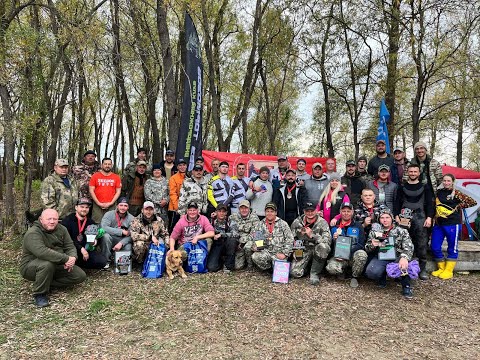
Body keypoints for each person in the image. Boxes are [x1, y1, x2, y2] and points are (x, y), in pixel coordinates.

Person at [19, 209, 87, 307]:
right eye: (49, 219)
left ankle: (46, 283)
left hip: (57, 263)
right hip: (31, 266)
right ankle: (40, 294)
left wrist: (72, 258)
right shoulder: (33, 233)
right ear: (41, 220)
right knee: (47, 264)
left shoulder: (62, 229)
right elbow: (42, 252)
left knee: (79, 275)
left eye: (55, 219)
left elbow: (69, 246)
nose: (52, 221)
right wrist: (65, 259)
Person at [431, 174, 477, 279]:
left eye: (448, 181)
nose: (446, 183)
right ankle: (441, 268)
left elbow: (472, 202)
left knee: (452, 247)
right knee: (434, 246)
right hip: (439, 223)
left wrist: (458, 206)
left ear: (452, 181)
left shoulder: (457, 193)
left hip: (453, 223)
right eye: (444, 180)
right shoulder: (439, 192)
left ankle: (449, 270)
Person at [364, 208, 415, 299]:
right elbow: (367, 248)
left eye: (387, 217)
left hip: (397, 257)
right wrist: (372, 245)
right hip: (382, 257)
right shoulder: (375, 231)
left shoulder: (401, 230)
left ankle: (406, 286)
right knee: (371, 272)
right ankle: (382, 277)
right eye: (382, 217)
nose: (385, 220)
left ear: (392, 218)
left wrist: (404, 257)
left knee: (405, 264)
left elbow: (409, 247)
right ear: (379, 219)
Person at [395, 163, 434, 280]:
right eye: (410, 171)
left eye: (415, 172)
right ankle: (403, 268)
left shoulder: (425, 187)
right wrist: (396, 215)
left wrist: (429, 217)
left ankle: (422, 269)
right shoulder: (402, 187)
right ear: (407, 173)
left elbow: (430, 203)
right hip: (404, 218)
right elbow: (397, 202)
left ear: (419, 173)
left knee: (421, 244)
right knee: (403, 243)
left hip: (420, 217)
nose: (413, 174)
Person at [326, 202, 367, 288]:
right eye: (344, 211)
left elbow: (361, 244)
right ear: (340, 212)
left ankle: (354, 277)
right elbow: (328, 244)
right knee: (331, 268)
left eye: (348, 211)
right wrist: (334, 240)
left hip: (352, 255)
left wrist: (347, 252)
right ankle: (342, 271)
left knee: (362, 255)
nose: (346, 213)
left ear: (352, 212)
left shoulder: (358, 226)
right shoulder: (334, 226)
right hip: (339, 256)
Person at [290, 202, 332, 285]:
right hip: (302, 248)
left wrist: (312, 235)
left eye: (312, 211)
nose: (310, 213)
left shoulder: (322, 223)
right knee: (295, 273)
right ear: (304, 211)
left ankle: (314, 273)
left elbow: (327, 241)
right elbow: (292, 238)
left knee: (323, 247)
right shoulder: (297, 222)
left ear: (316, 210)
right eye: (307, 211)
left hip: (317, 248)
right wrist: (295, 250)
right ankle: (306, 268)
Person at [61, 198, 107, 269]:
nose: (84, 209)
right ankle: (75, 264)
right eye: (82, 207)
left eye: (87, 207)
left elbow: (97, 237)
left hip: (86, 250)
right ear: (76, 207)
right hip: (72, 250)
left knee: (102, 261)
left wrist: (95, 242)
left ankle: (79, 265)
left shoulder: (90, 222)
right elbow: (66, 240)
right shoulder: (67, 220)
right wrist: (81, 248)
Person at [250, 202, 293, 272]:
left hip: (279, 253)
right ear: (265, 212)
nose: (269, 213)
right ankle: (269, 268)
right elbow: (254, 238)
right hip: (266, 252)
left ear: (276, 213)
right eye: (267, 211)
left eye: (272, 211)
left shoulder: (283, 224)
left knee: (282, 271)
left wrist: (285, 253)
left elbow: (290, 240)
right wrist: (255, 246)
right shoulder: (260, 224)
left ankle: (276, 268)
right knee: (255, 256)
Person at [100, 197, 134, 268]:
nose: (123, 208)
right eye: (121, 205)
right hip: (110, 239)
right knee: (105, 236)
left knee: (128, 247)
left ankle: (122, 265)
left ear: (128, 207)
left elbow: (132, 235)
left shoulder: (132, 218)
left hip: (122, 241)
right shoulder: (109, 214)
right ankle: (105, 261)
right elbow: (103, 227)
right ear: (117, 206)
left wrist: (121, 243)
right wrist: (121, 231)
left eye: (125, 206)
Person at [207, 204, 240, 272]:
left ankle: (228, 266)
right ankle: (220, 261)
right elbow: (205, 232)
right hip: (216, 245)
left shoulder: (230, 221)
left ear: (226, 213)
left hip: (227, 244)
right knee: (212, 267)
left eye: (223, 211)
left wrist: (222, 234)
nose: (221, 213)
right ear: (216, 212)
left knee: (232, 240)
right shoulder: (211, 221)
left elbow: (236, 234)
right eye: (219, 211)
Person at [89, 158, 122, 223]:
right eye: (105, 164)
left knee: (111, 223)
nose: (107, 166)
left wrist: (111, 203)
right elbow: (91, 190)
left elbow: (118, 191)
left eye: (109, 164)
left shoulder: (116, 177)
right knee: (97, 223)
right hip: (97, 205)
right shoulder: (95, 176)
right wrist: (98, 203)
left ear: (111, 165)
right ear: (102, 165)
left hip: (111, 205)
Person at [230, 200, 260, 270]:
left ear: (249, 209)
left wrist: (242, 241)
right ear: (239, 209)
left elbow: (255, 234)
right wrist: (236, 242)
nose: (244, 210)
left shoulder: (254, 218)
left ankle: (250, 265)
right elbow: (232, 231)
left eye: (246, 208)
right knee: (237, 267)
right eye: (242, 208)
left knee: (248, 246)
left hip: (249, 241)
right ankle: (243, 259)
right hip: (238, 242)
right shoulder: (233, 217)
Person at [168, 158, 187, 231]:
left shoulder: (188, 178)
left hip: (185, 208)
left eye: (184, 165)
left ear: (186, 166)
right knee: (173, 228)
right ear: (177, 167)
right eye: (180, 165)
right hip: (174, 208)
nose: (182, 167)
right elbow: (172, 194)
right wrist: (177, 208)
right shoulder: (173, 178)